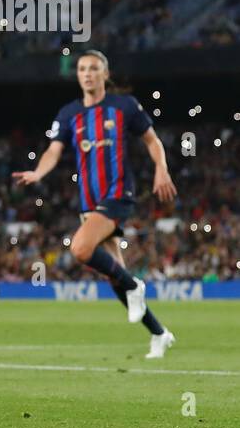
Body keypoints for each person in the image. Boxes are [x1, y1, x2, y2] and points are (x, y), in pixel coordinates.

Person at [13, 49, 177, 358]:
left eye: (93, 68)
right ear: (77, 76)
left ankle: (134, 286)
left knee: (80, 249)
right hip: (89, 201)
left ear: (105, 73)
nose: (87, 73)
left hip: (117, 194)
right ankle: (159, 333)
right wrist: (38, 172)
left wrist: (161, 168)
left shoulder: (124, 106)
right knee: (112, 273)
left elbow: (152, 140)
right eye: (82, 69)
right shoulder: (68, 114)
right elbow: (53, 150)